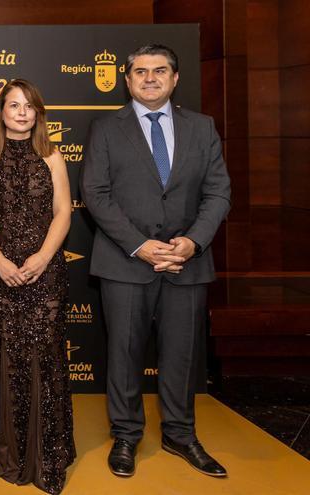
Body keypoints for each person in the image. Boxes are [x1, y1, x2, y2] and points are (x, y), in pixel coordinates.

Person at [81, 44, 231, 479]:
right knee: (124, 353)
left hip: (187, 263)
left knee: (181, 355)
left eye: (160, 70)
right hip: (126, 262)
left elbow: (219, 192)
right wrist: (140, 245)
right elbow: (95, 193)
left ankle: (180, 434)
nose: (150, 78)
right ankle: (126, 435)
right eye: (141, 72)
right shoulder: (105, 128)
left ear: (175, 78)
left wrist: (192, 242)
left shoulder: (202, 127)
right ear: (127, 80)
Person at [0, 79, 75, 494]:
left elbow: (63, 212)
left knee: (44, 353)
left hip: (45, 270)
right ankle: (3, 443)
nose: (22, 112)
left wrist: (42, 257)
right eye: (14, 105)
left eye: (29, 106)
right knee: (1, 353)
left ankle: (47, 450)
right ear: (2, 113)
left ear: (38, 113)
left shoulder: (54, 157)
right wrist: (0, 262)